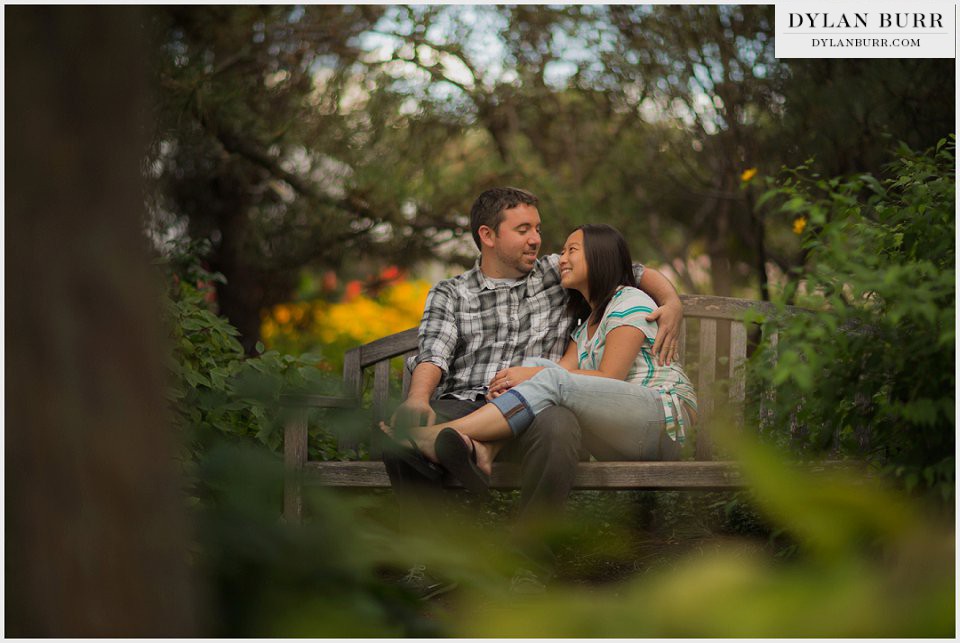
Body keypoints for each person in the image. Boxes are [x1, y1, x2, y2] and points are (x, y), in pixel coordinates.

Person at [382, 188, 684, 593]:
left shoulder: (554, 272)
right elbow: (432, 354)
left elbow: (627, 269)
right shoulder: (451, 292)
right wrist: (418, 399)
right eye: (523, 229)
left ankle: (528, 565)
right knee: (402, 432)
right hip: (467, 399)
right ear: (488, 235)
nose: (537, 239)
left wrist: (672, 301)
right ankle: (436, 560)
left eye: (538, 228)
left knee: (559, 424)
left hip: (538, 411)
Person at [387, 224, 697, 481]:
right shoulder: (586, 325)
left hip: (665, 424)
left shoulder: (630, 301)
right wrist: (515, 385)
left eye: (571, 250)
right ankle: (485, 451)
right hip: (621, 434)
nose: (562, 258)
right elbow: (559, 370)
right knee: (540, 368)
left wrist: (533, 377)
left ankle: (435, 435)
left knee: (545, 377)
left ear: (599, 256)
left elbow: (609, 377)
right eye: (562, 251)